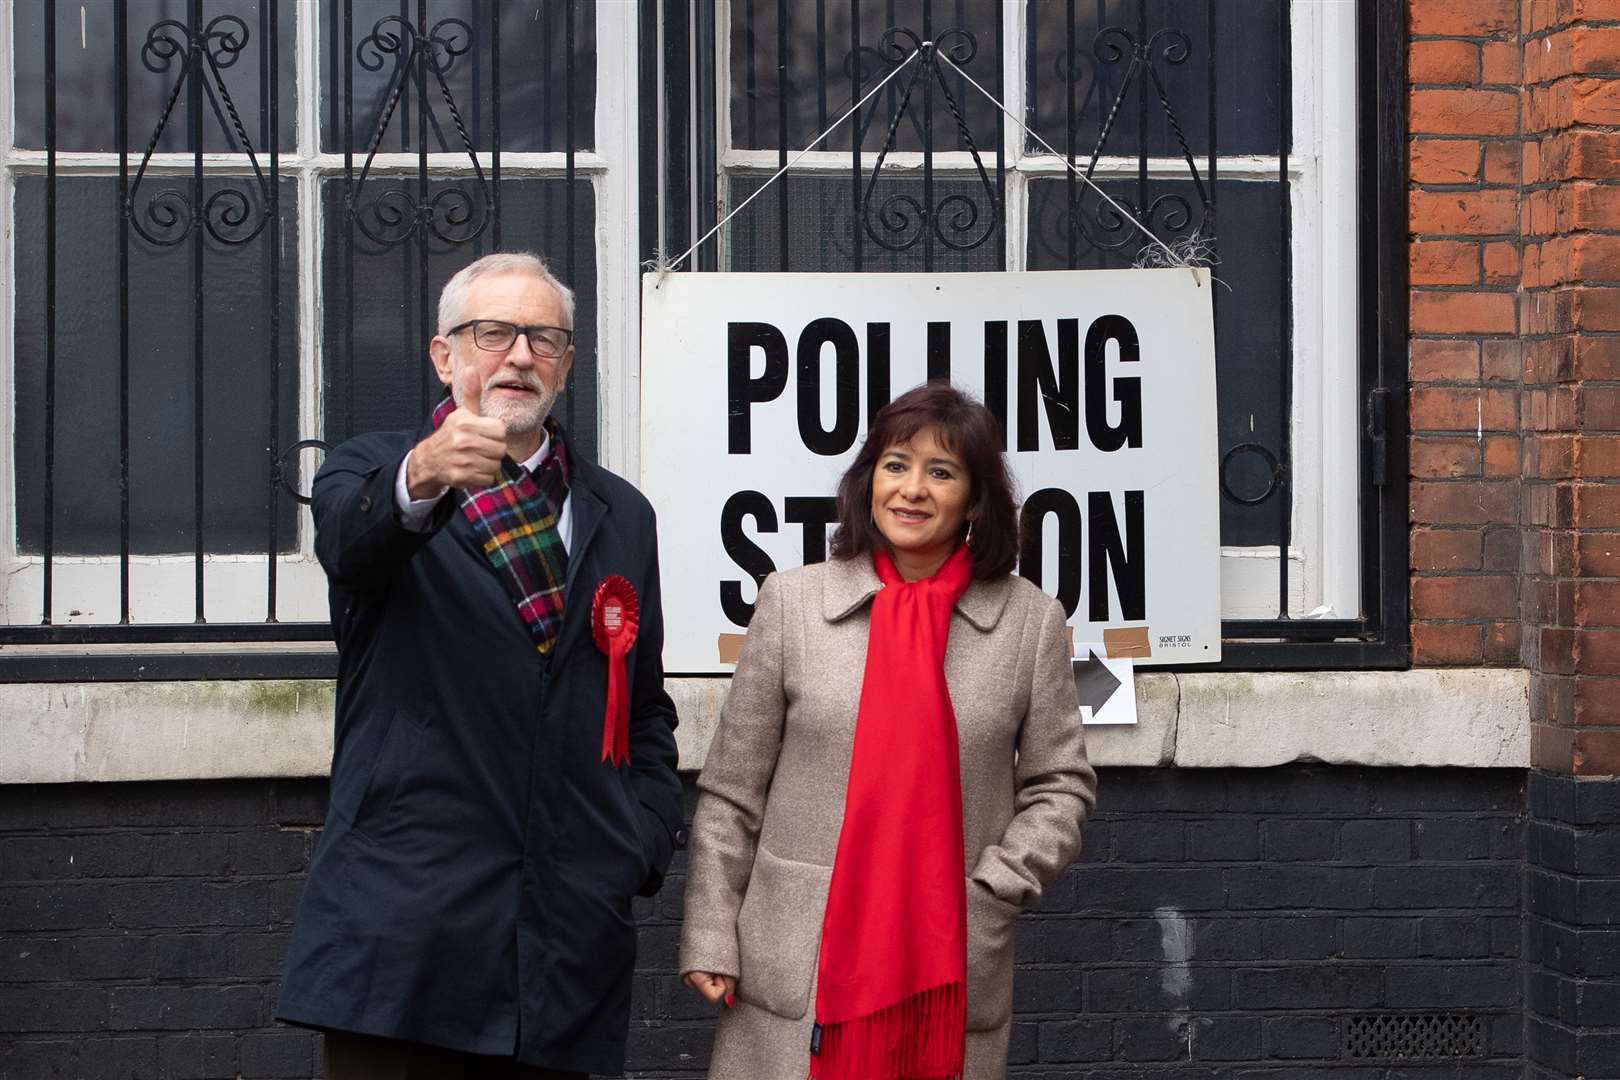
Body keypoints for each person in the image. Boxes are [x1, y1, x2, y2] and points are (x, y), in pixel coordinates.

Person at [277, 251, 683, 1079]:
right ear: (444, 355)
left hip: (567, 946)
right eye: (492, 333)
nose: (520, 355)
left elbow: (644, 707)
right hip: (405, 946)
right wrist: (419, 476)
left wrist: (637, 842)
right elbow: (353, 549)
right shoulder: (369, 470)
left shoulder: (621, 513)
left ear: (568, 363)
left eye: (543, 338)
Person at [679, 382, 1097, 1080]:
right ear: (868, 478)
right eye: (896, 464)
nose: (912, 490)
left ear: (975, 497)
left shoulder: (1029, 622)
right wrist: (711, 933)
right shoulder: (794, 603)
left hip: (945, 961)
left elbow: (1061, 784)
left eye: (942, 472)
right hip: (799, 958)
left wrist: (995, 888)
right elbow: (731, 794)